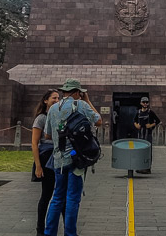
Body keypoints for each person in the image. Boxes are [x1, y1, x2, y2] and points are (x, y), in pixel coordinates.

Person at [43, 78, 102, 236]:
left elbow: (47, 134)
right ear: (77, 92)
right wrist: (88, 101)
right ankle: (70, 233)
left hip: (59, 159)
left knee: (57, 197)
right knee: (73, 198)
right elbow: (99, 121)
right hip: (77, 159)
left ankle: (49, 232)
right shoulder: (82, 105)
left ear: (64, 92)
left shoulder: (53, 108)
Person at [32, 89, 60, 236]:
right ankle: (40, 230)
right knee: (46, 195)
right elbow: (35, 143)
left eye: (58, 98)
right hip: (46, 158)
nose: (57, 100)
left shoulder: (58, 116)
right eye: (53, 98)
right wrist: (38, 166)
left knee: (60, 194)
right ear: (45, 100)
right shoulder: (41, 118)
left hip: (59, 157)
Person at [133, 96, 159, 174]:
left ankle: (147, 168)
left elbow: (157, 121)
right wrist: (136, 125)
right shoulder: (138, 112)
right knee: (140, 150)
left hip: (148, 134)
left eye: (146, 102)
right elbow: (134, 120)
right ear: (141, 103)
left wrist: (151, 125)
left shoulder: (150, 112)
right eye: (143, 102)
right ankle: (140, 166)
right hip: (140, 134)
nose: (145, 104)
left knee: (148, 150)